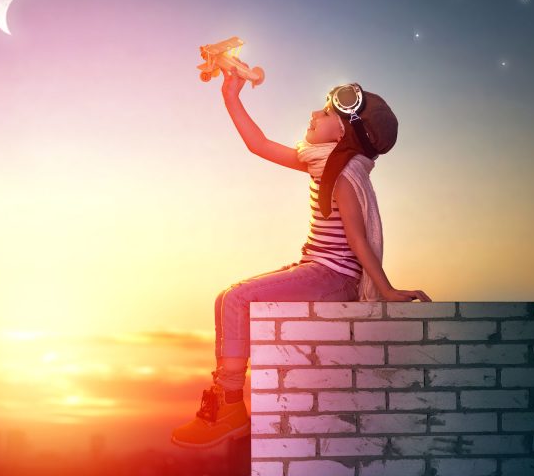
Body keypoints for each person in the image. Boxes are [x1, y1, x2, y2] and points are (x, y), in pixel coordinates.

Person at [170, 64, 432, 449]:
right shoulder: (322, 160)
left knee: (236, 298)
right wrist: (231, 96)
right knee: (226, 298)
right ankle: (227, 404)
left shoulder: (342, 174)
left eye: (325, 113)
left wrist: (386, 289)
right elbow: (259, 145)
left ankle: (227, 406)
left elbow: (358, 239)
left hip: (333, 276)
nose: (313, 114)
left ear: (341, 134)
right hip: (317, 266)